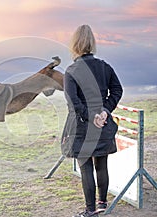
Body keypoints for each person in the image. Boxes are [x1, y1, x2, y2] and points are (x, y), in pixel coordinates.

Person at [61, 25, 123, 217]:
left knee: (86, 167)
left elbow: (73, 102)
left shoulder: (71, 71)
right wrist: (104, 111)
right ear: (92, 43)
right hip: (103, 124)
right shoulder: (105, 66)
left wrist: (92, 116)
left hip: (81, 126)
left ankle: (90, 211)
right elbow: (117, 91)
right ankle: (102, 204)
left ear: (74, 45)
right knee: (101, 165)